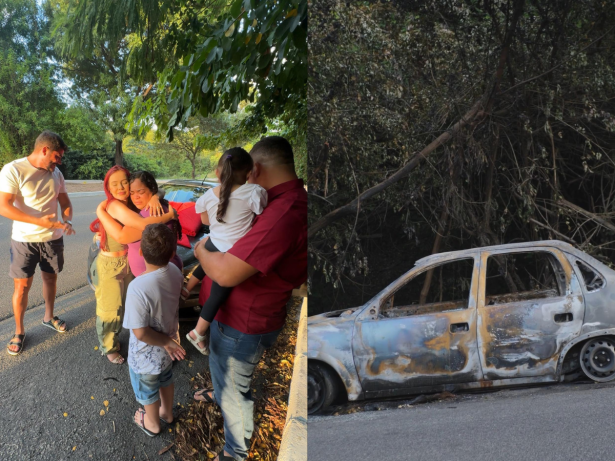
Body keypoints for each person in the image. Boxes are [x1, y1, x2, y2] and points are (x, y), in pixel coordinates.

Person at [192, 136, 307, 461]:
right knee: (227, 380)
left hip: (242, 322)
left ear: (254, 169)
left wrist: (200, 249)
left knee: (235, 392)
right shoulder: (278, 203)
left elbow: (226, 273)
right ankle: (220, 390)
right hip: (243, 315)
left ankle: (235, 452)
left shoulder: (284, 211)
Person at [185, 148, 267, 355]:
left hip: (213, 242)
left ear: (217, 172)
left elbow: (205, 221)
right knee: (218, 294)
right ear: (249, 173)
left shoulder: (207, 195)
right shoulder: (254, 192)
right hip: (232, 251)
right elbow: (261, 212)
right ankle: (198, 332)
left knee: (203, 264)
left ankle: (187, 288)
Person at [90, 166, 176, 364]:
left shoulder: (131, 201)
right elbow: (140, 227)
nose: (121, 187)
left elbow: (149, 189)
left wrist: (155, 195)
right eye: (115, 184)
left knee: (125, 306)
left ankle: (119, 337)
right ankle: (108, 347)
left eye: (124, 182)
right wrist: (168, 217)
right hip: (110, 264)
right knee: (110, 309)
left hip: (127, 263)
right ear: (108, 188)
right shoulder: (112, 206)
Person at [0, 131, 76, 356]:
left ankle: (48, 317)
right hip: (24, 240)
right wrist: (38, 221)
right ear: (44, 150)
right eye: (56, 156)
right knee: (22, 286)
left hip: (52, 240)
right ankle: (19, 331)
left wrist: (68, 219)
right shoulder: (13, 169)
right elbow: (4, 206)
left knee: (50, 278)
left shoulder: (57, 173)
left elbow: (65, 201)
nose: (59, 162)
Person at [124, 223, 186, 437]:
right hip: (169, 349)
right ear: (172, 253)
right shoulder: (176, 271)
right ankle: (167, 413)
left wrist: (166, 342)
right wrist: (169, 342)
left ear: (140, 252)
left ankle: (152, 423)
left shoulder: (138, 287)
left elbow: (140, 332)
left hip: (146, 356)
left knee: (148, 390)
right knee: (165, 379)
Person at [95, 170, 183, 277]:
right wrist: (156, 196)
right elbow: (160, 190)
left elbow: (122, 236)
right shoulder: (154, 206)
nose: (136, 197)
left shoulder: (151, 213)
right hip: (159, 275)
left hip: (157, 278)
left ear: (152, 190)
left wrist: (100, 211)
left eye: (140, 192)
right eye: (132, 193)